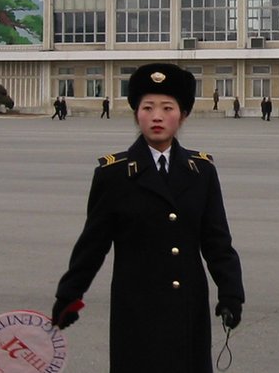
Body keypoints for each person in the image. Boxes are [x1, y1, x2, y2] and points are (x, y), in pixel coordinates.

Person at [51, 63, 245, 373]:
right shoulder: (113, 175)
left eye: (167, 108)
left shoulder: (201, 172)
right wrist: (69, 295)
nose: (157, 116)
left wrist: (231, 294)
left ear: (182, 115)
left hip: (187, 308)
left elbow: (217, 242)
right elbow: (93, 244)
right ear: (136, 114)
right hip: (136, 310)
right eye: (148, 107)